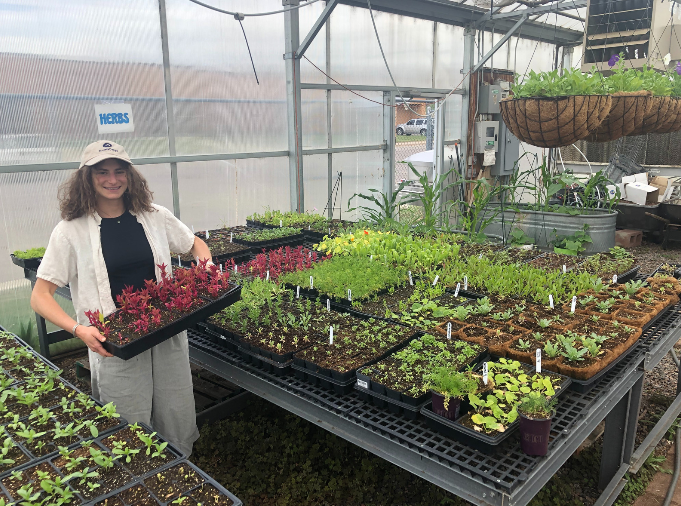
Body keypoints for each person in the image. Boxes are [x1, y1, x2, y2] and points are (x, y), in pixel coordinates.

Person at [31, 140, 210, 456]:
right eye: (102, 172)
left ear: (130, 175)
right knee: (127, 420)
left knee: (175, 406)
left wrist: (205, 264)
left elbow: (193, 242)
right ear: (88, 177)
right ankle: (139, 478)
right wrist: (79, 330)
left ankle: (179, 471)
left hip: (164, 330)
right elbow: (40, 296)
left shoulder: (153, 215)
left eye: (119, 171)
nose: (112, 180)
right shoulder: (70, 231)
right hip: (114, 342)